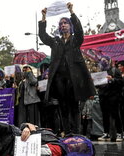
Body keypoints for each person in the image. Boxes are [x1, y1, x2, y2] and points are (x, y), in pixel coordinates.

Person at [38, 2, 96, 135]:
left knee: (74, 108)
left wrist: (72, 12)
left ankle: (76, 134)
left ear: (70, 26)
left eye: (65, 23)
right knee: (63, 108)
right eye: (61, 23)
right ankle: (68, 134)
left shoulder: (76, 40)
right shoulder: (55, 41)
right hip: (59, 81)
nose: (63, 25)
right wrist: (43, 17)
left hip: (73, 81)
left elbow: (80, 30)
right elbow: (43, 36)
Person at [97, 57, 123, 142]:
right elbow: (99, 85)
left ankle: (119, 133)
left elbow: (121, 82)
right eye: (102, 60)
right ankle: (106, 133)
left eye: (105, 60)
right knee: (105, 115)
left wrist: (112, 79)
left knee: (115, 115)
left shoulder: (115, 70)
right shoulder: (101, 72)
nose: (103, 62)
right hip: (103, 97)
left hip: (113, 97)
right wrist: (94, 82)